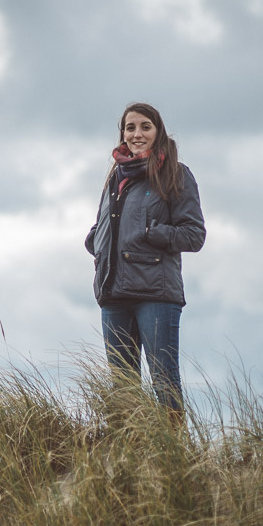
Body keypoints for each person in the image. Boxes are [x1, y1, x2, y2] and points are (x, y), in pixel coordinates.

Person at [85, 103, 205, 417]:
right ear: (123, 133)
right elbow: (106, 224)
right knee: (123, 390)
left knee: (164, 382)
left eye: (145, 127)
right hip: (114, 294)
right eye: (130, 127)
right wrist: (95, 239)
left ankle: (173, 457)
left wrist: (151, 232)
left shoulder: (176, 173)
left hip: (156, 294)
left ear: (158, 131)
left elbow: (194, 235)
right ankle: (132, 457)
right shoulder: (116, 176)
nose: (137, 134)